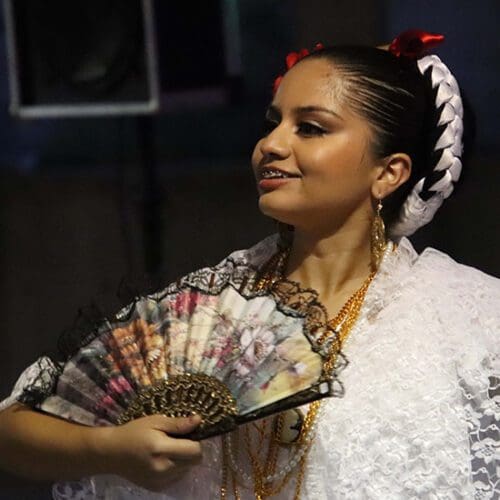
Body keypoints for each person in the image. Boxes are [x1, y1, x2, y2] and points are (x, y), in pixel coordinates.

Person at [0, 30, 499, 499]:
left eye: (310, 127)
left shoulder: (468, 317)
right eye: (272, 123)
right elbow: (15, 425)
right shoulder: (210, 307)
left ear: (389, 172)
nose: (271, 145)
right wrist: (112, 449)